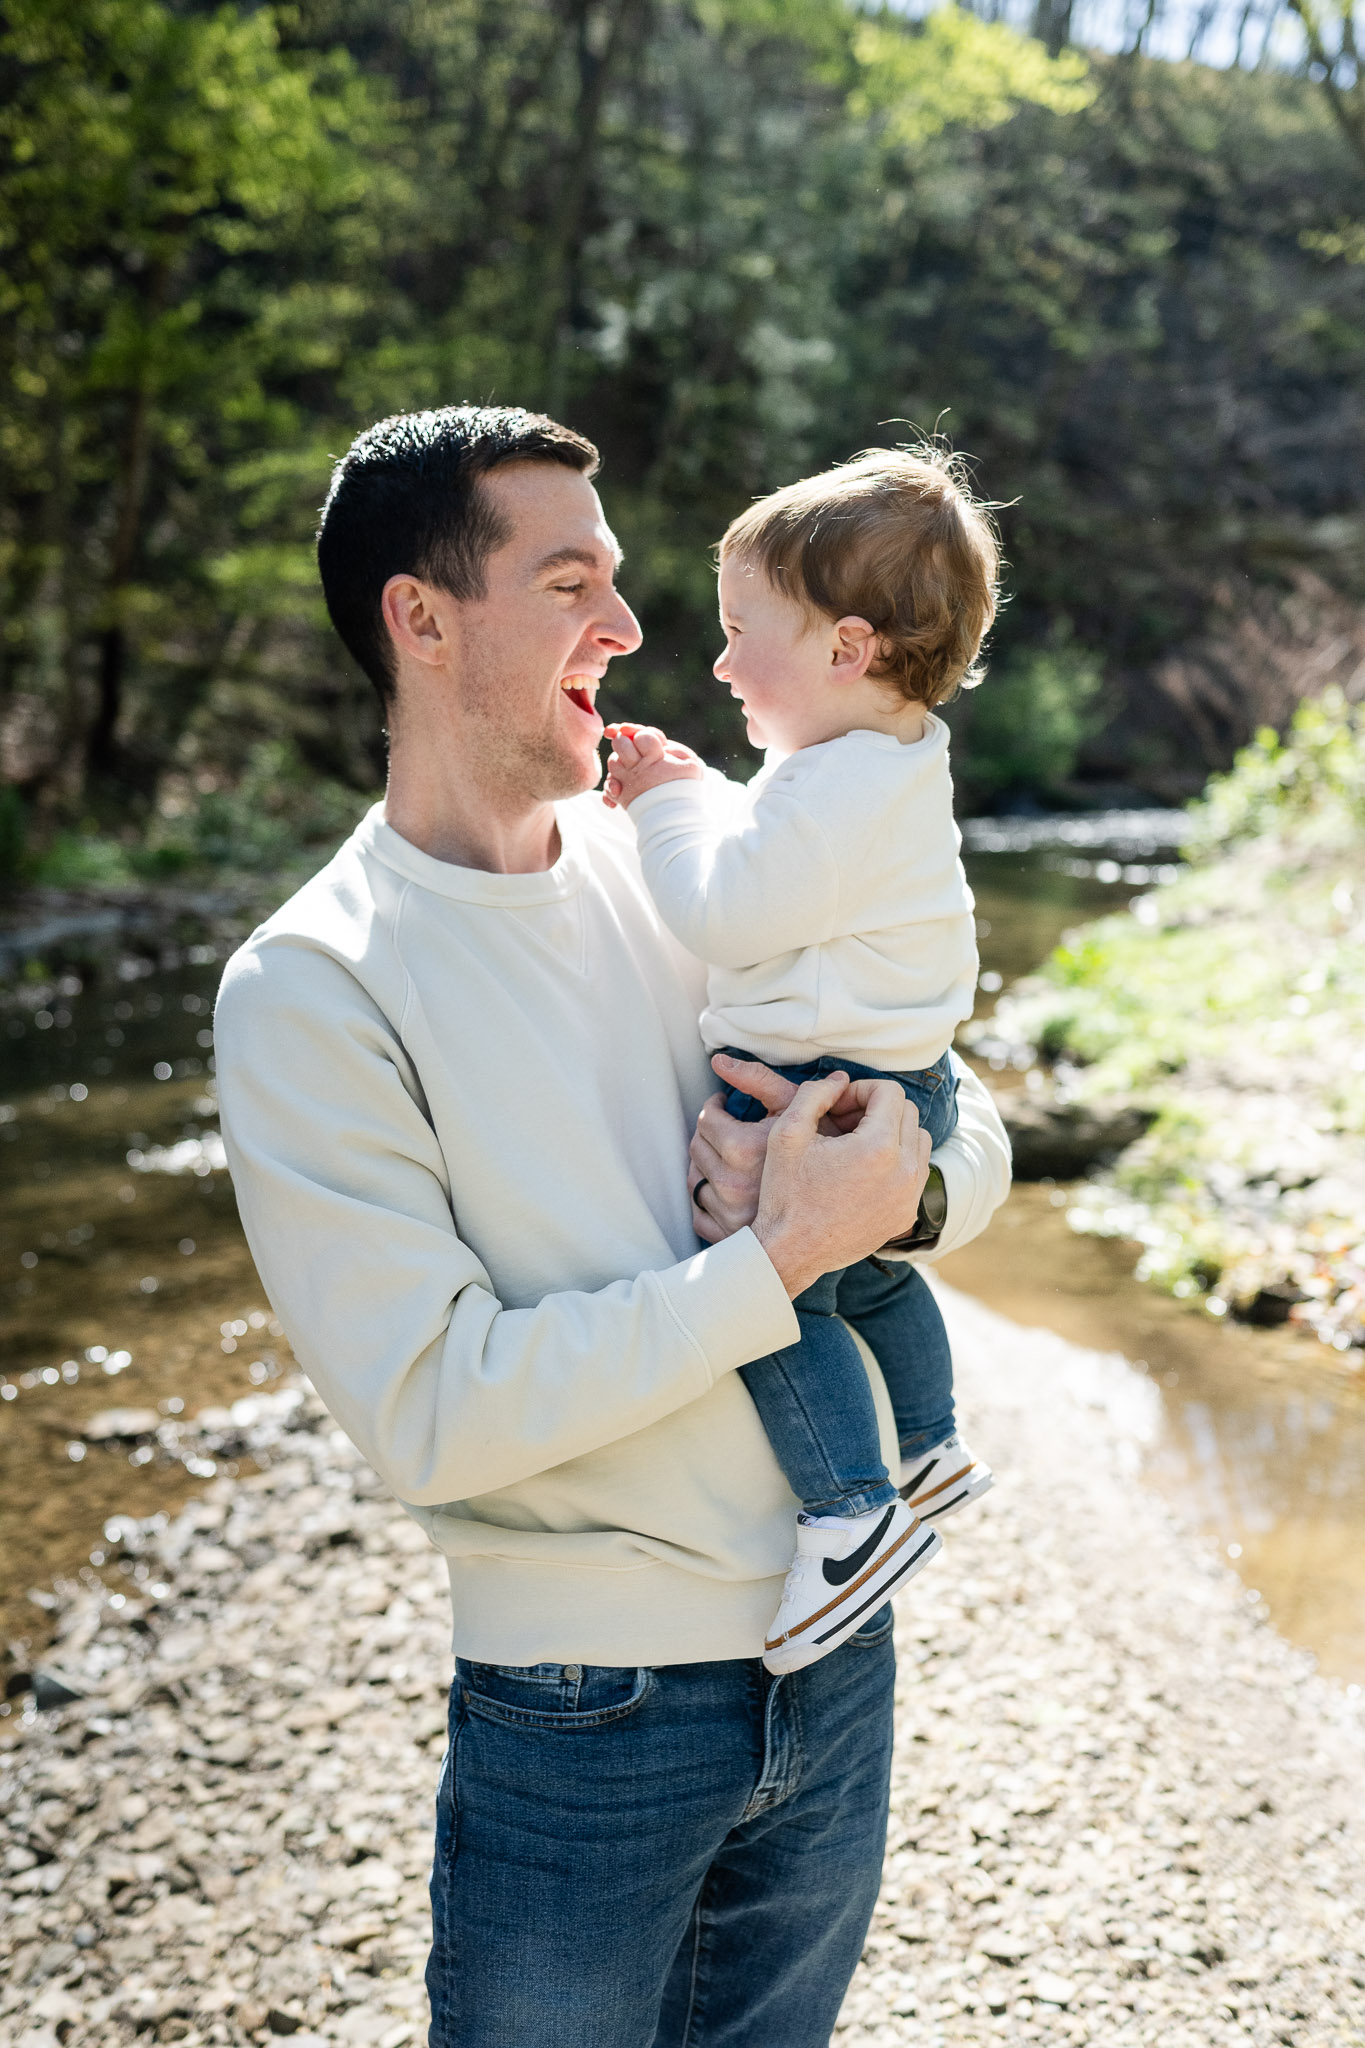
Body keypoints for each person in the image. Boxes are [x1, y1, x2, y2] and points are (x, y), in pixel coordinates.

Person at [213, 405, 1011, 2048]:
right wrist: (776, 1258)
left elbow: (938, 1087)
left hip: (835, 1663)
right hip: (590, 1713)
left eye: (631, 584)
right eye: (572, 580)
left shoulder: (682, 853)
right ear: (420, 620)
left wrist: (911, 1186)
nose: (634, 632)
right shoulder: (316, 983)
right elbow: (442, 1410)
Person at [601, 447, 998, 1676]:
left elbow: (724, 911)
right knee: (874, 1280)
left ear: (846, 648)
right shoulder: (878, 764)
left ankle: (851, 1508)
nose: (717, 662)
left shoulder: (827, 794)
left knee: (769, 1289)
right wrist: (708, 791)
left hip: (809, 1091)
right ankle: (929, 1444)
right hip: (892, 1078)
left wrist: (664, 803)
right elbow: (783, 854)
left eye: (738, 633)